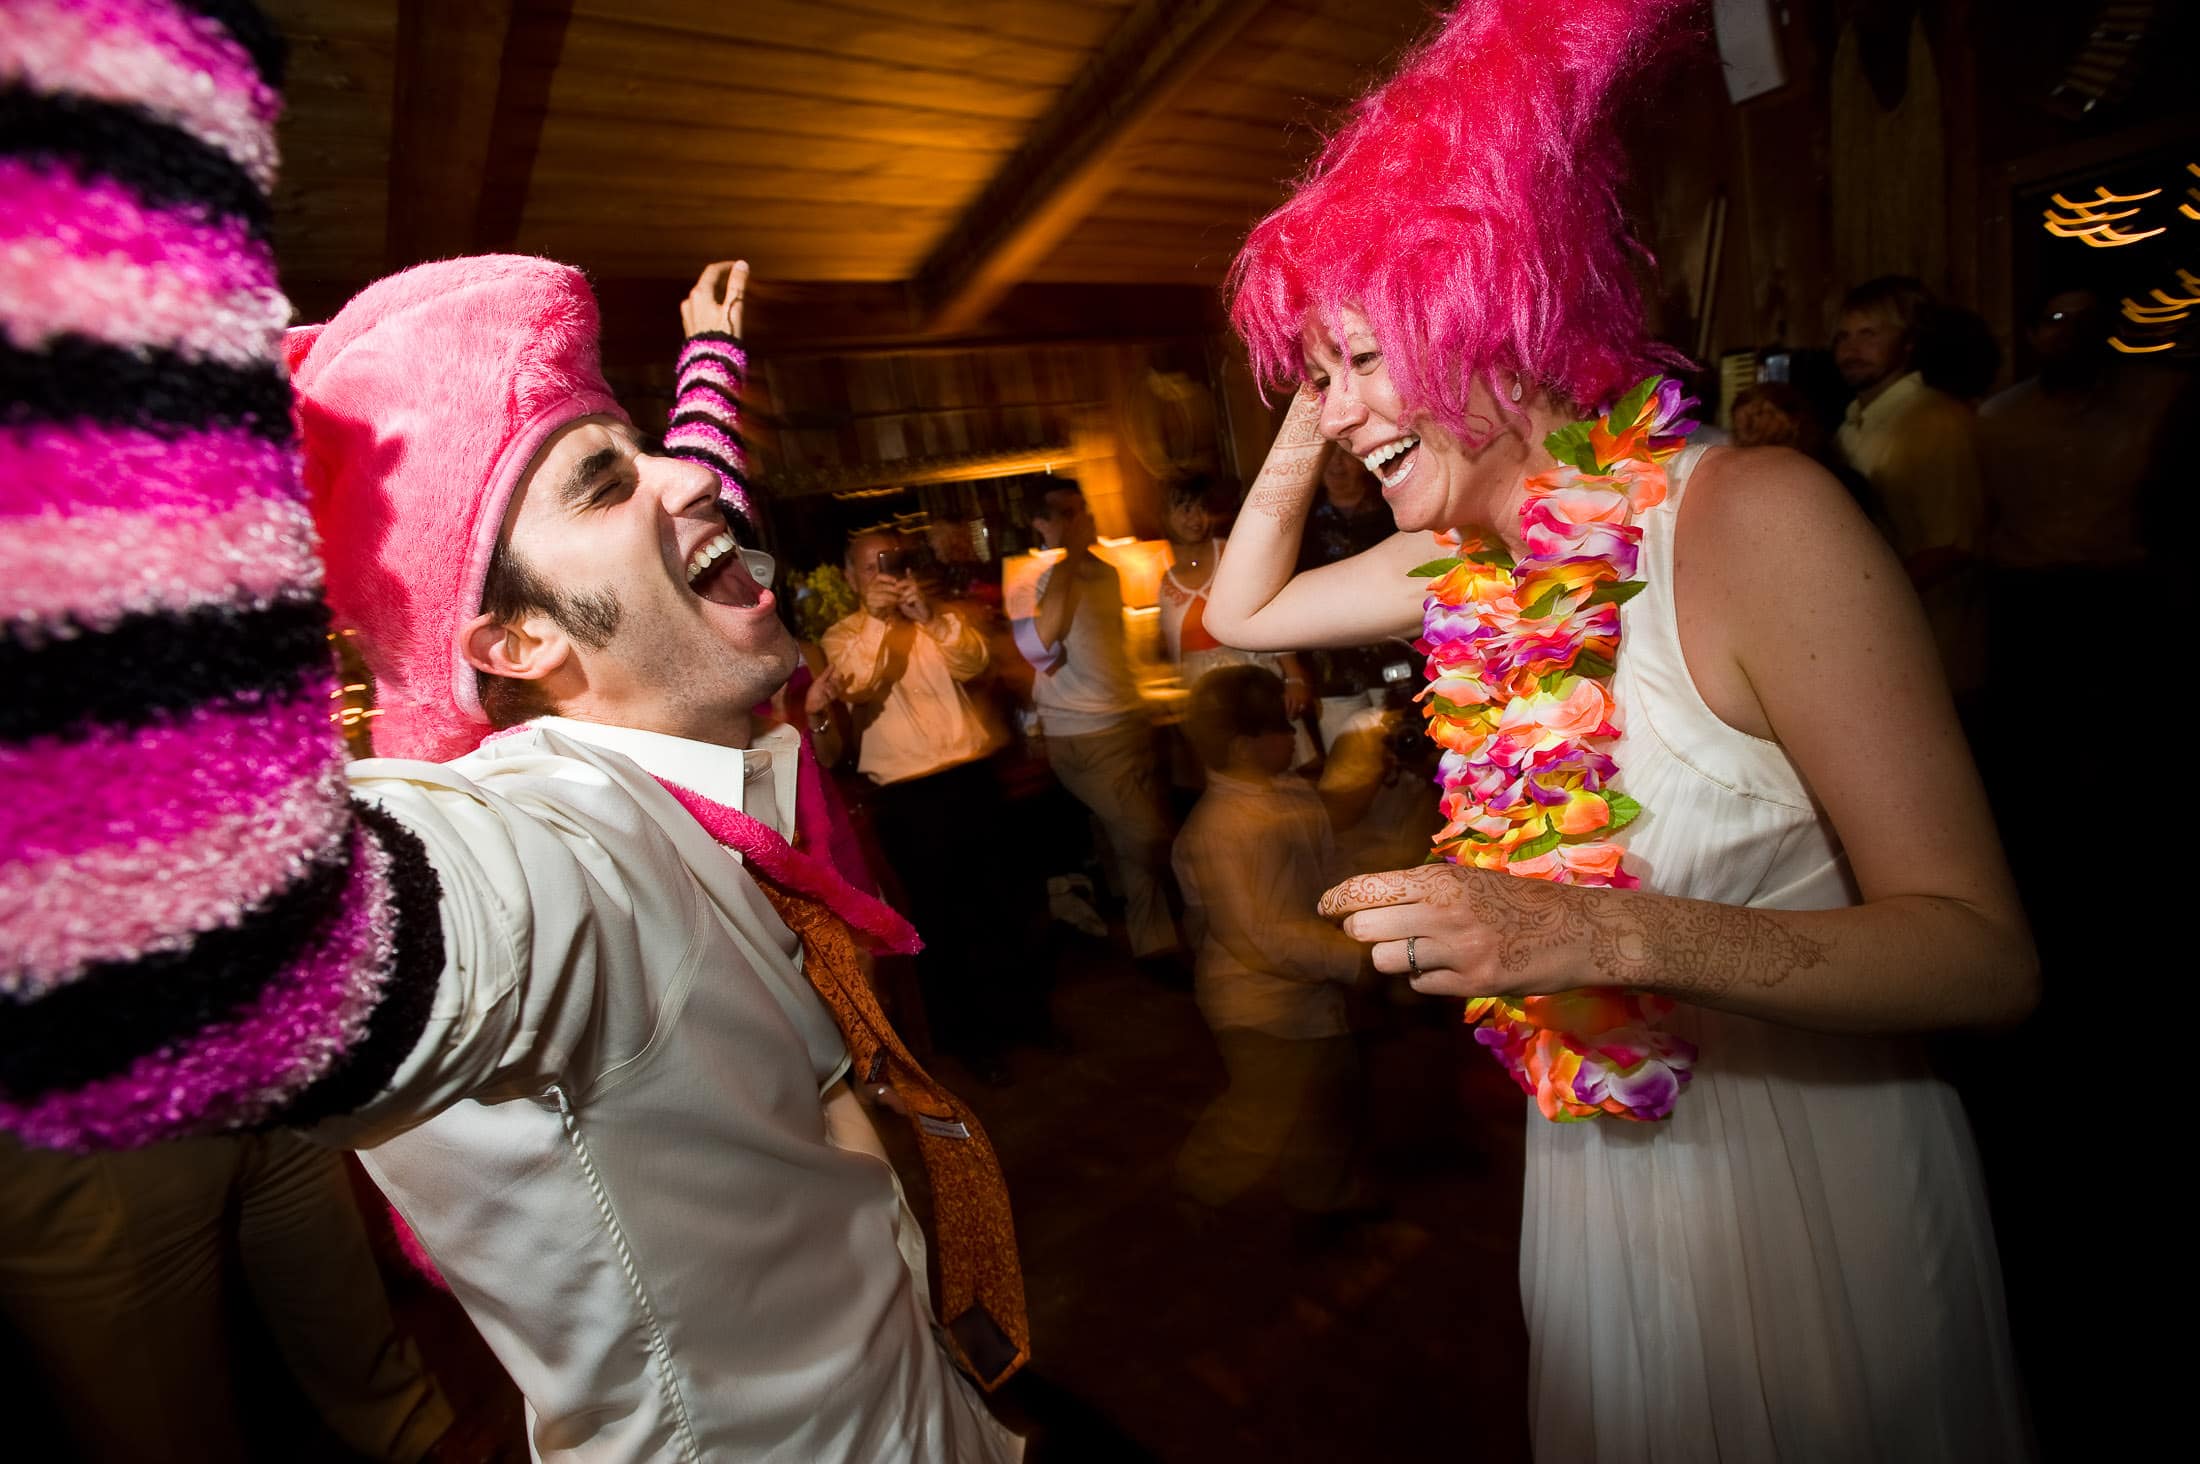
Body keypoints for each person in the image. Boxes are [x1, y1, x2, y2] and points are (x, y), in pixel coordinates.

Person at [0, 14, 1026, 1452]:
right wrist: (109, 159)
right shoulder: (560, 856)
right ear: (515, 647)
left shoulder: (666, 758)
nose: (685, 480)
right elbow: (207, 956)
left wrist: (708, 367)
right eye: (605, 479)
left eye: (644, 449)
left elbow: (674, 528)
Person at [1204, 1, 2035, 1458]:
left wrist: (1588, 933)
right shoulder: (1458, 561)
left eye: (1370, 357)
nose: (1333, 416)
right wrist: (1324, 374)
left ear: (1500, 318)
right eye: (1318, 378)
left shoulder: (1751, 519)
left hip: (1803, 1184)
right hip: (1601, 1174)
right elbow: (1241, 611)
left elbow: (1983, 958)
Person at [825, 529, 1030, 1081]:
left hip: (972, 777)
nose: (884, 576)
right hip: (909, 795)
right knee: (940, 920)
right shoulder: (843, 635)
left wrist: (931, 618)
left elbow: (973, 663)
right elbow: (856, 684)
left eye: (890, 563)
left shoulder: (939, 616)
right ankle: (969, 1041)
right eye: (871, 567)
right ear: (850, 578)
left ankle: (1025, 1016)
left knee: (1003, 902)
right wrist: (877, 620)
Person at [1170, 667, 1372, 1223]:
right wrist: (1354, 961)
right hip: (1259, 1006)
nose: (1294, 738)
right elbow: (1259, 936)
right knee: (1261, 1114)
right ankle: (1196, 1191)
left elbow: (1329, 873)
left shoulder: (1291, 794)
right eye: (1282, 729)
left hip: (1311, 994)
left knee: (1327, 1103)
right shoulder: (1219, 830)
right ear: (1243, 745)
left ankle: (1323, 1200)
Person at [1024, 481, 1183, 965]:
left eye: (1083, 510)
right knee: (1150, 836)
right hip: (1082, 734)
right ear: (1040, 524)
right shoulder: (1032, 579)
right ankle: (1178, 931)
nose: (1082, 521)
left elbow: (1107, 646)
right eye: (1067, 514)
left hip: (1125, 722)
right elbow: (1039, 648)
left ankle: (1155, 946)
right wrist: (1070, 558)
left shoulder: (1108, 571)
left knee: (1131, 843)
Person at [1833, 275, 1989, 696]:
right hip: (1877, 647)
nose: (1851, 348)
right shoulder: (1854, 421)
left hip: (1932, 648)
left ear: (1909, 342)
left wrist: (1854, 601)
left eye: (1870, 334)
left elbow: (1953, 545)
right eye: (1843, 336)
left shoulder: (1935, 421)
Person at [1154, 471, 1316, 766]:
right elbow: (1168, 651)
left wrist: (1293, 675)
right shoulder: (1161, 577)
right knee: (1235, 774)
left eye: (1202, 508)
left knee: (1283, 763)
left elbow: (1269, 612)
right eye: (1185, 509)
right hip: (1203, 695)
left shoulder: (1233, 554)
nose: (1196, 518)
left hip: (1253, 680)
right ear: (1165, 515)